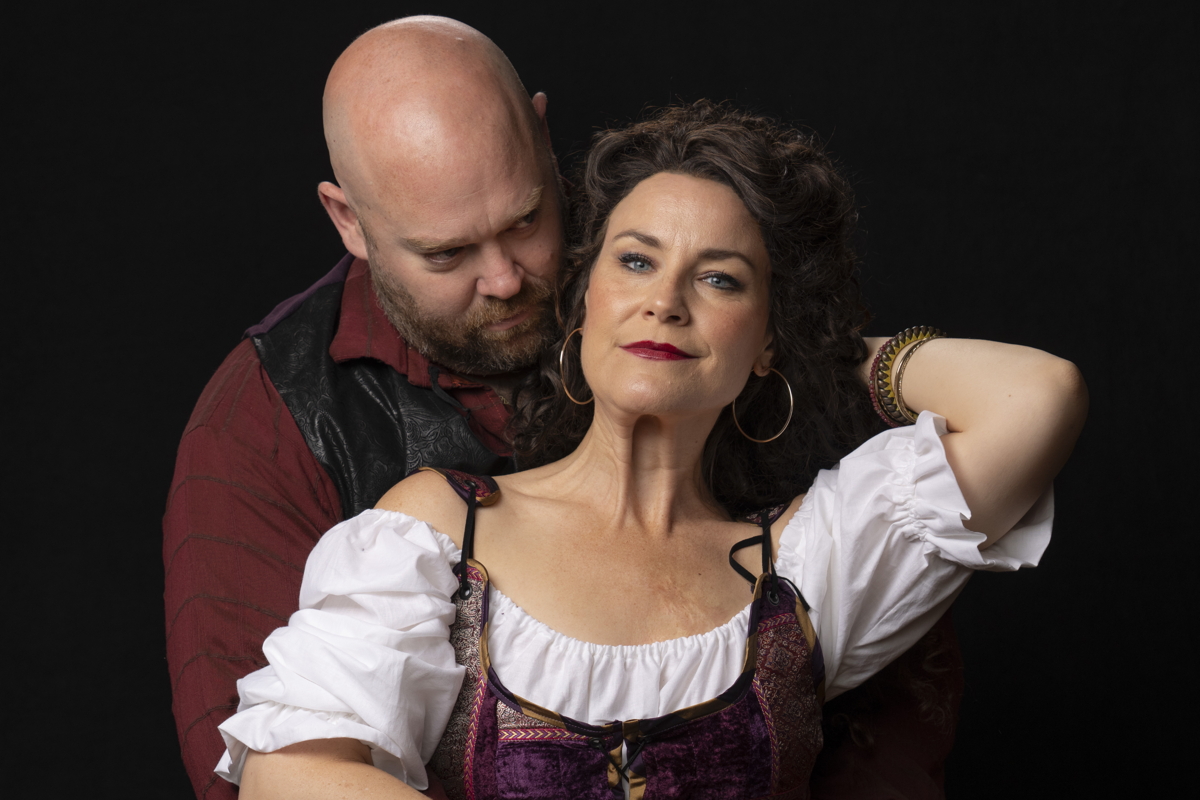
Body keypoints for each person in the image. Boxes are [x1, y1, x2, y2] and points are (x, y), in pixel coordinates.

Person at [211, 101, 1087, 799]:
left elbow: (1035, 397)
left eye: (719, 279)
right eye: (634, 263)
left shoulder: (811, 568)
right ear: (582, 299)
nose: (665, 302)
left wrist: (815, 346)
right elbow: (291, 771)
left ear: (768, 337)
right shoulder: (441, 533)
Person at [163, 17, 562, 799]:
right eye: (446, 253)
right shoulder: (262, 423)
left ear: (546, 141)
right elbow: (254, 773)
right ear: (349, 220)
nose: (507, 278)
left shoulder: (654, 283)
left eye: (526, 220)